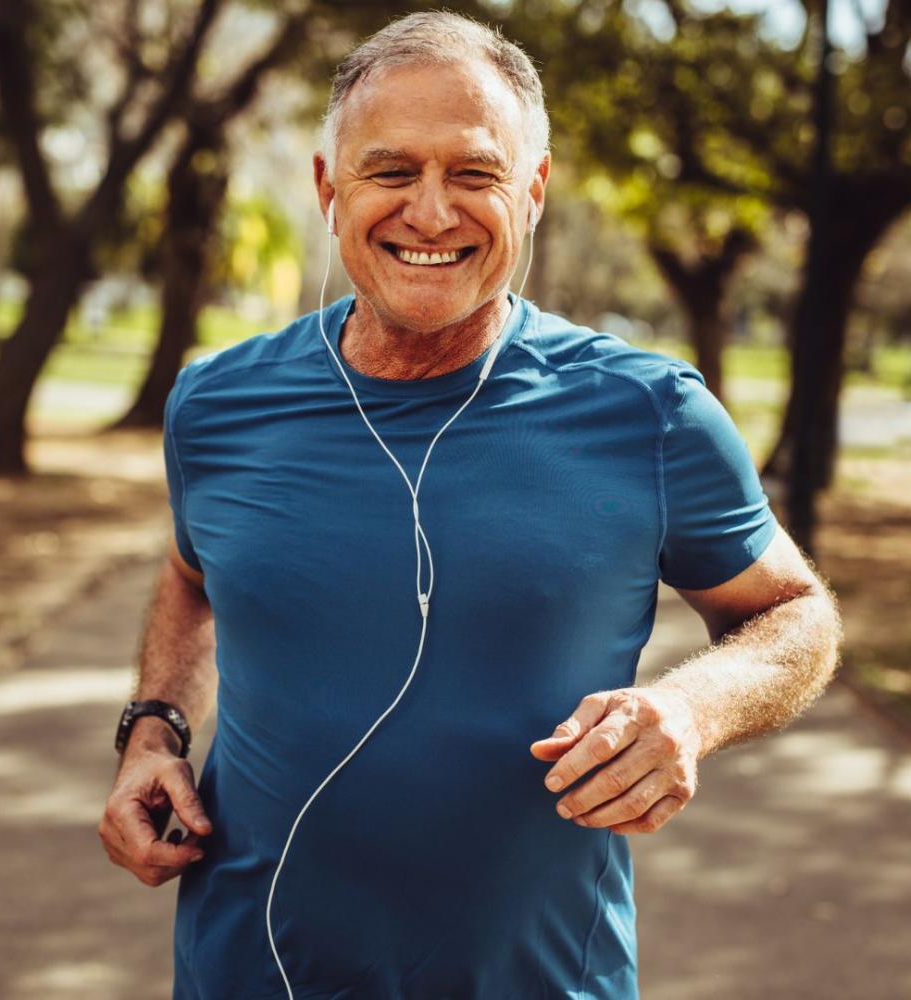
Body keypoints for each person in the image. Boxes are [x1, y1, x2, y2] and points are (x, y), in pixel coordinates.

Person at [98, 12, 842, 999]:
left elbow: (795, 613)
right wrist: (153, 732)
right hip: (244, 968)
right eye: (391, 170)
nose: (431, 211)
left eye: (475, 173)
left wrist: (689, 710)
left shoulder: (651, 412)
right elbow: (194, 575)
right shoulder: (216, 403)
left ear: (532, 192)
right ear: (328, 187)